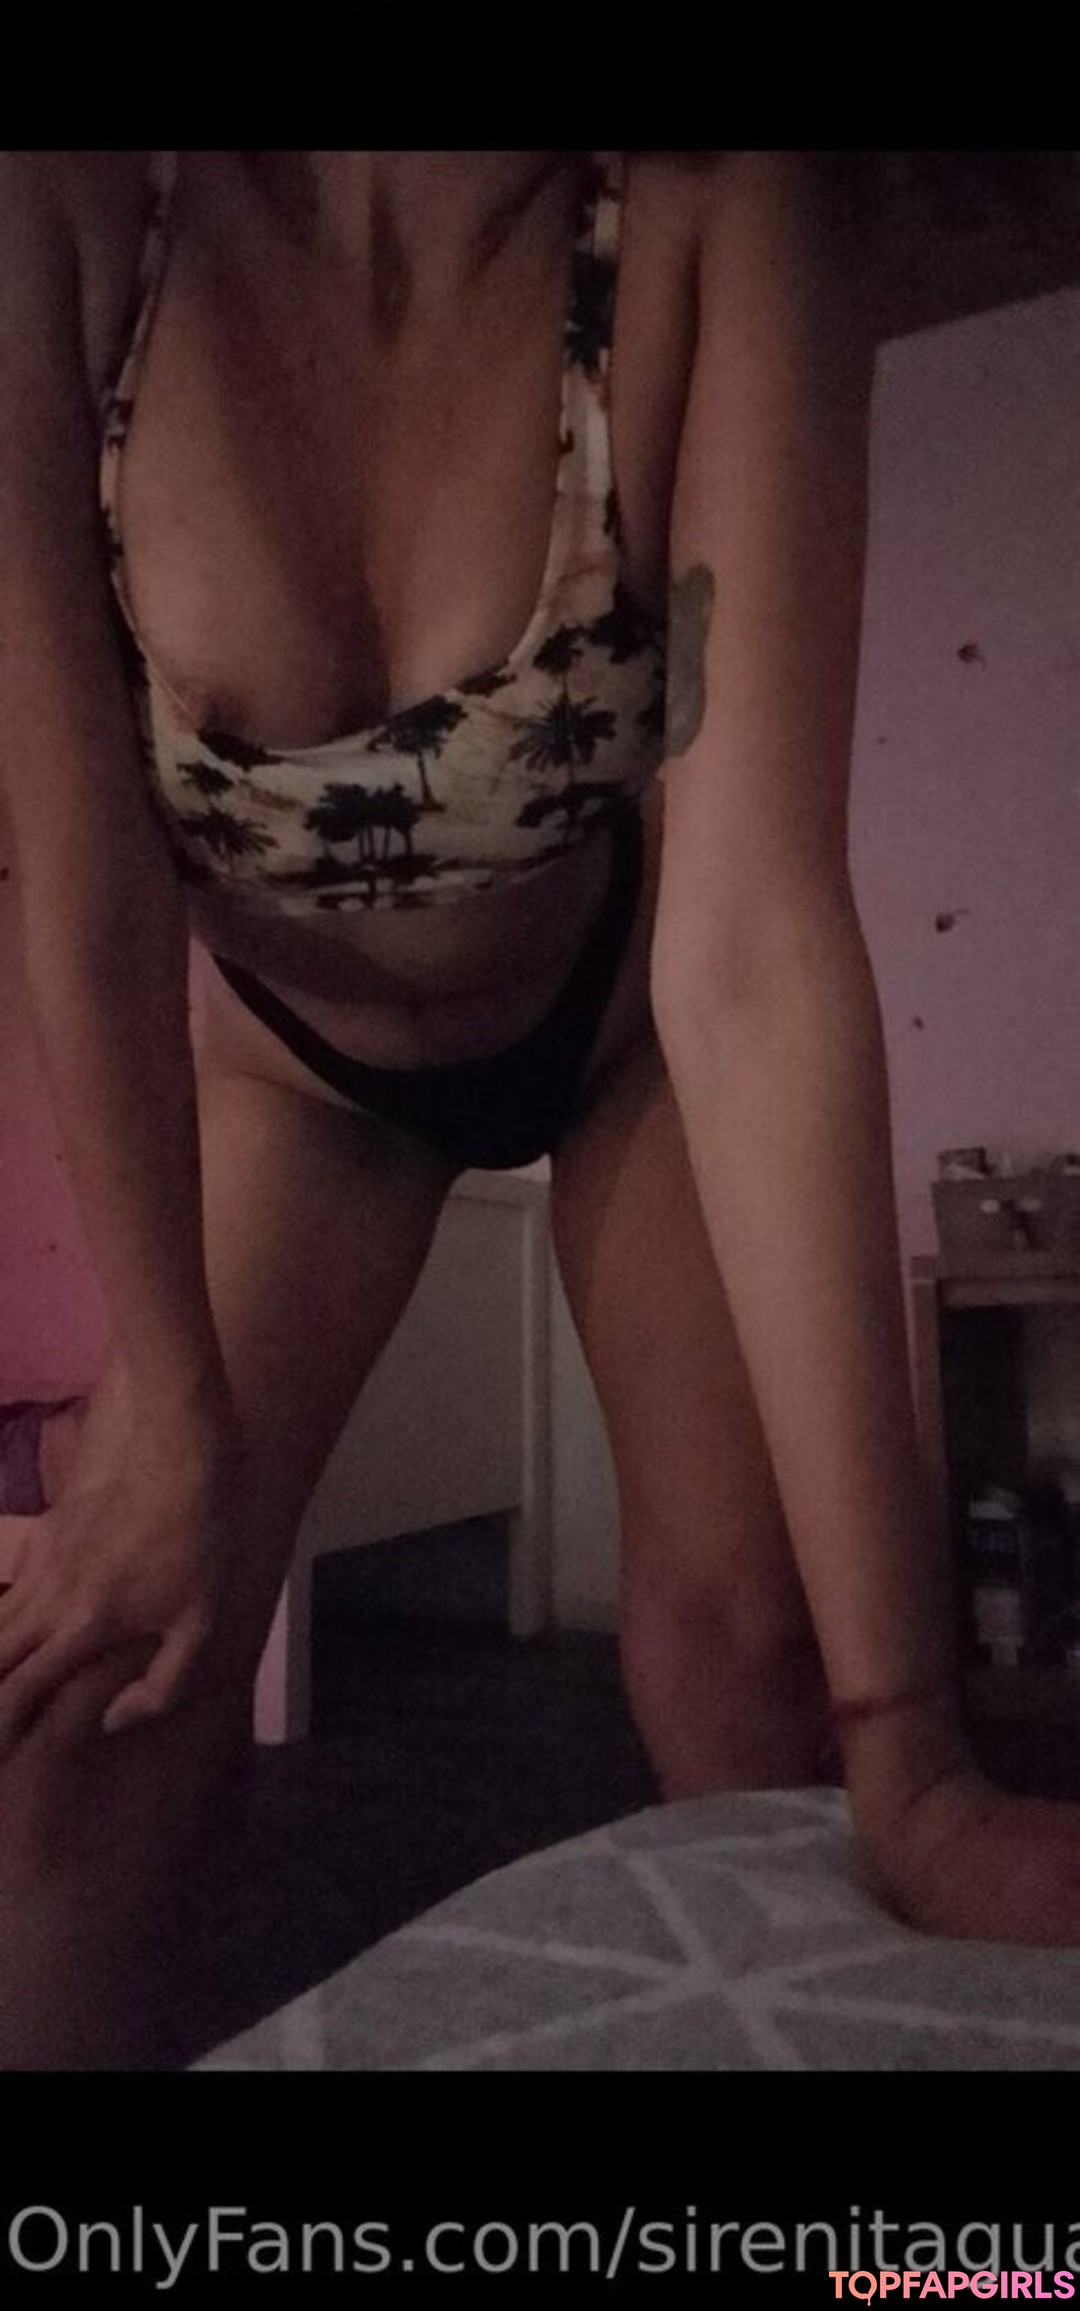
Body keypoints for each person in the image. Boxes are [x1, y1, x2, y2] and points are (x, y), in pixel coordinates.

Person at [2, 149, 1077, 2070]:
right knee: (86, 1743)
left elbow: (751, 944)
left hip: (624, 1026)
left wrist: (913, 1749)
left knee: (755, 1671)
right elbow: (80, 878)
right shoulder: (70, 209)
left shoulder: (719, 200)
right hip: (296, 1070)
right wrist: (161, 1401)